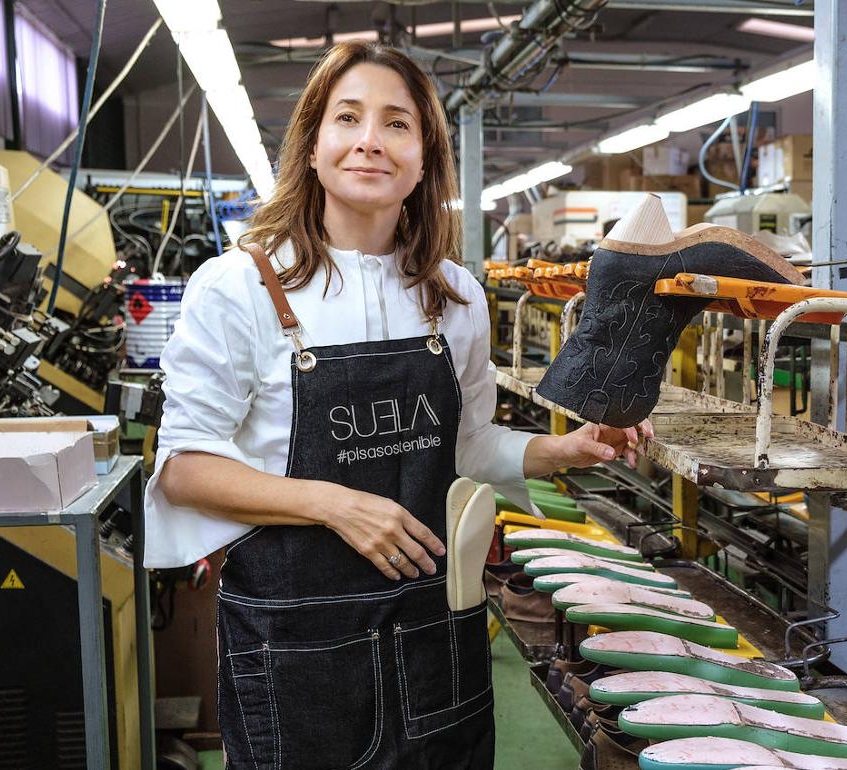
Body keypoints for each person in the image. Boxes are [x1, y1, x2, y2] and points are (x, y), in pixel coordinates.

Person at [144, 42, 652, 770]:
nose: (369, 142)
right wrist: (334, 503)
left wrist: (562, 449)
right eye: (347, 118)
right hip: (298, 653)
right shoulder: (240, 288)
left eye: (396, 124)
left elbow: (468, 447)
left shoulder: (453, 295)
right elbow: (186, 469)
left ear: (423, 160)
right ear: (313, 148)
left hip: (436, 637)